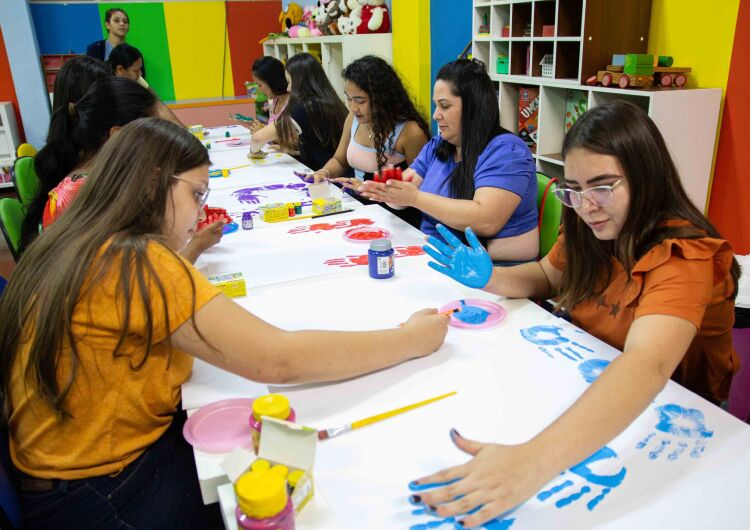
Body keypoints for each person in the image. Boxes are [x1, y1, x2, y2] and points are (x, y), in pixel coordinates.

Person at [0, 118, 449, 530]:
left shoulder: (77, 237)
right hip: (104, 492)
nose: (199, 211)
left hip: (58, 475)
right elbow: (278, 360)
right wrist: (409, 339)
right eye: (196, 194)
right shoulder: (136, 261)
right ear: (154, 183)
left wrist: (189, 252)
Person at [413, 100, 740, 528]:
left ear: (646, 176)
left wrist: (531, 463)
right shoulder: (592, 224)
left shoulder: (684, 257)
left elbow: (648, 365)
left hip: (671, 412)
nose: (587, 206)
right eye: (575, 189)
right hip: (589, 368)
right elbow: (547, 276)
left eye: (603, 187)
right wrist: (489, 278)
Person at [359, 59, 538, 263]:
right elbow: (405, 191)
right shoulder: (438, 145)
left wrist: (415, 199)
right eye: (436, 106)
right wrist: (387, 191)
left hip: (491, 271)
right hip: (438, 257)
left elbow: (486, 220)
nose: (436, 115)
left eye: (444, 106)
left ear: (473, 108)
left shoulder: (506, 151)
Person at [22, 77, 200, 256]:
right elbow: (132, 276)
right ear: (117, 136)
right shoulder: (82, 196)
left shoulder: (103, 178)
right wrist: (196, 247)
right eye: (151, 137)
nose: (157, 147)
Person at [309, 55, 430, 227]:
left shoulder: (410, 132)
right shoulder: (353, 119)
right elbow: (339, 160)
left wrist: (368, 188)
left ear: (383, 98)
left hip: (396, 218)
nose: (353, 107)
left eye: (360, 101)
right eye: (349, 99)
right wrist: (323, 173)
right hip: (358, 207)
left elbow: (419, 188)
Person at [248, 53, 347, 171]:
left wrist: (254, 153)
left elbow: (257, 138)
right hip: (333, 171)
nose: (288, 88)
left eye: (289, 82)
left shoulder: (305, 107)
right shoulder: (329, 101)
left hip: (327, 174)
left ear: (300, 82)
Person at [108, 43, 185, 127]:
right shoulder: (109, 90)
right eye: (136, 71)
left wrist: (186, 133)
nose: (140, 74)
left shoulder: (138, 79)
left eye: (140, 69)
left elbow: (158, 105)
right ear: (120, 69)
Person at [85, 7, 143, 75]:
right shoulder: (94, 49)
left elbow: (141, 78)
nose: (122, 24)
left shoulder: (134, 53)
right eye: (116, 20)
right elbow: (89, 76)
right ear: (108, 25)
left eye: (125, 21)